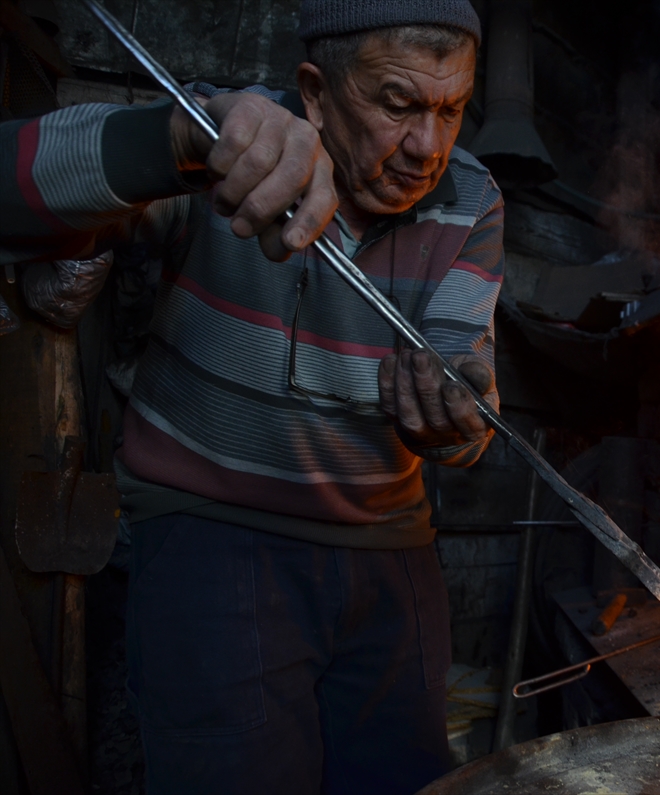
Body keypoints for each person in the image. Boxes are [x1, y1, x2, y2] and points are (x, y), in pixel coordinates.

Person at [0, 1, 502, 792]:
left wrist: (457, 413)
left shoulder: (471, 199)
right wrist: (173, 142)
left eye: (450, 110)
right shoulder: (233, 142)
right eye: (398, 105)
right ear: (316, 88)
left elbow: (464, 380)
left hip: (390, 552)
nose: (427, 147)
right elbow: (8, 185)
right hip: (215, 537)